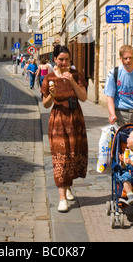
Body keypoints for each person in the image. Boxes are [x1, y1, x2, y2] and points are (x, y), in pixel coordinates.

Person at [41, 45, 88, 213]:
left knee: (73, 155)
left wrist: (72, 81)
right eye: (61, 59)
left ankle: (68, 187)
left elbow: (83, 97)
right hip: (58, 122)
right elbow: (46, 105)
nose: (64, 62)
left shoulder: (75, 75)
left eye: (67, 59)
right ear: (54, 59)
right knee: (60, 157)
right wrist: (52, 95)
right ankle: (62, 197)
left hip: (75, 120)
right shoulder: (49, 78)